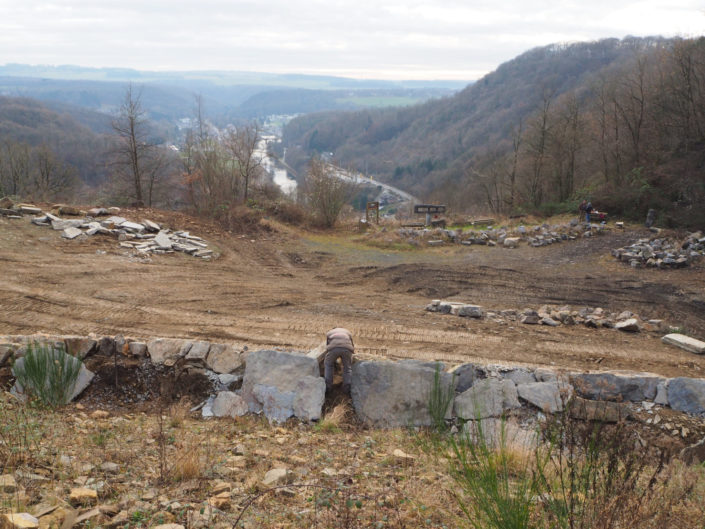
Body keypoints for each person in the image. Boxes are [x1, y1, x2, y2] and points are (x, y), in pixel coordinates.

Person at [324, 327, 354, 394]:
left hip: (333, 348)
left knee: (328, 365)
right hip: (347, 348)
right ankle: (347, 390)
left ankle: (328, 388)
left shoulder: (329, 333)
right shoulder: (347, 331)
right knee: (347, 368)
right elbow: (352, 344)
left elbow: (327, 347)